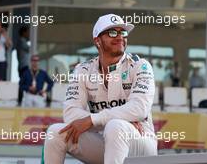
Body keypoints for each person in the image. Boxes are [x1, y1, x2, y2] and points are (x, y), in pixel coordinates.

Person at [44, 14, 157, 164]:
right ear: (97, 40)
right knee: (55, 132)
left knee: (115, 127)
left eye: (122, 32)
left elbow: (139, 108)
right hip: (103, 139)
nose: (119, 37)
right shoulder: (82, 70)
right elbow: (71, 114)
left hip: (140, 142)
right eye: (112, 32)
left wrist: (92, 120)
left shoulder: (140, 66)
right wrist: (120, 117)